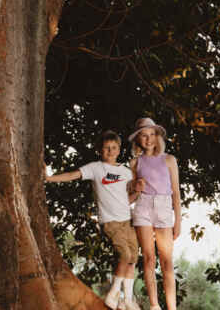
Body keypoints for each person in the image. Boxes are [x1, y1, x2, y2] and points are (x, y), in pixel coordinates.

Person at [45, 130, 143, 310]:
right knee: (125, 255)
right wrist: (49, 178)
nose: (110, 151)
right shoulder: (96, 168)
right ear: (100, 150)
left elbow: (127, 198)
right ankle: (113, 295)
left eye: (114, 148)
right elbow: (72, 175)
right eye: (106, 148)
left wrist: (137, 191)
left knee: (133, 258)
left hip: (127, 220)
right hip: (111, 221)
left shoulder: (126, 172)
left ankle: (127, 299)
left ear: (119, 149)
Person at [128, 118, 182, 310]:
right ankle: (154, 305)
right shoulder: (135, 162)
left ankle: (171, 307)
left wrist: (178, 221)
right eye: (144, 135)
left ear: (157, 137)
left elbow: (176, 192)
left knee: (167, 260)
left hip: (164, 207)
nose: (148, 139)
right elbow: (131, 197)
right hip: (143, 207)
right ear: (138, 139)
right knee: (149, 258)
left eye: (152, 134)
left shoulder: (169, 160)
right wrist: (135, 187)